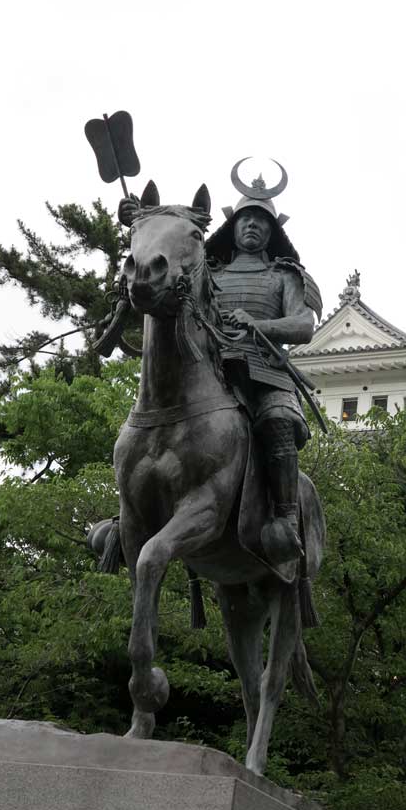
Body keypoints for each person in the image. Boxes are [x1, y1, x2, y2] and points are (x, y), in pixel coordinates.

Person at [118, 162, 322, 569]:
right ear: (233, 224)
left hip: (264, 369)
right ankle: (128, 514)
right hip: (211, 364)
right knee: (150, 417)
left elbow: (303, 326)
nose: (252, 227)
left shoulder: (284, 275)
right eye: (246, 219)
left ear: (272, 231)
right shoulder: (209, 270)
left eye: (261, 222)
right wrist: (139, 222)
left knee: (279, 419)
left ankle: (284, 520)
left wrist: (258, 323)